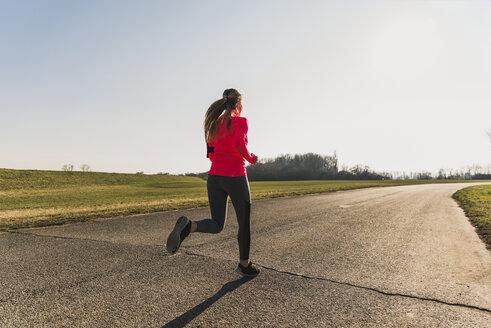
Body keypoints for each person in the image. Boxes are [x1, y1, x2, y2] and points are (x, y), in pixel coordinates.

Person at [166, 88, 260, 277]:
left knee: (217, 224)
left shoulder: (214, 123)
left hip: (214, 178)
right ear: (238, 105)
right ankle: (244, 264)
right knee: (244, 224)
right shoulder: (241, 121)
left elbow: (211, 154)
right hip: (236, 177)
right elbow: (239, 144)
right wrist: (251, 159)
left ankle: (189, 226)